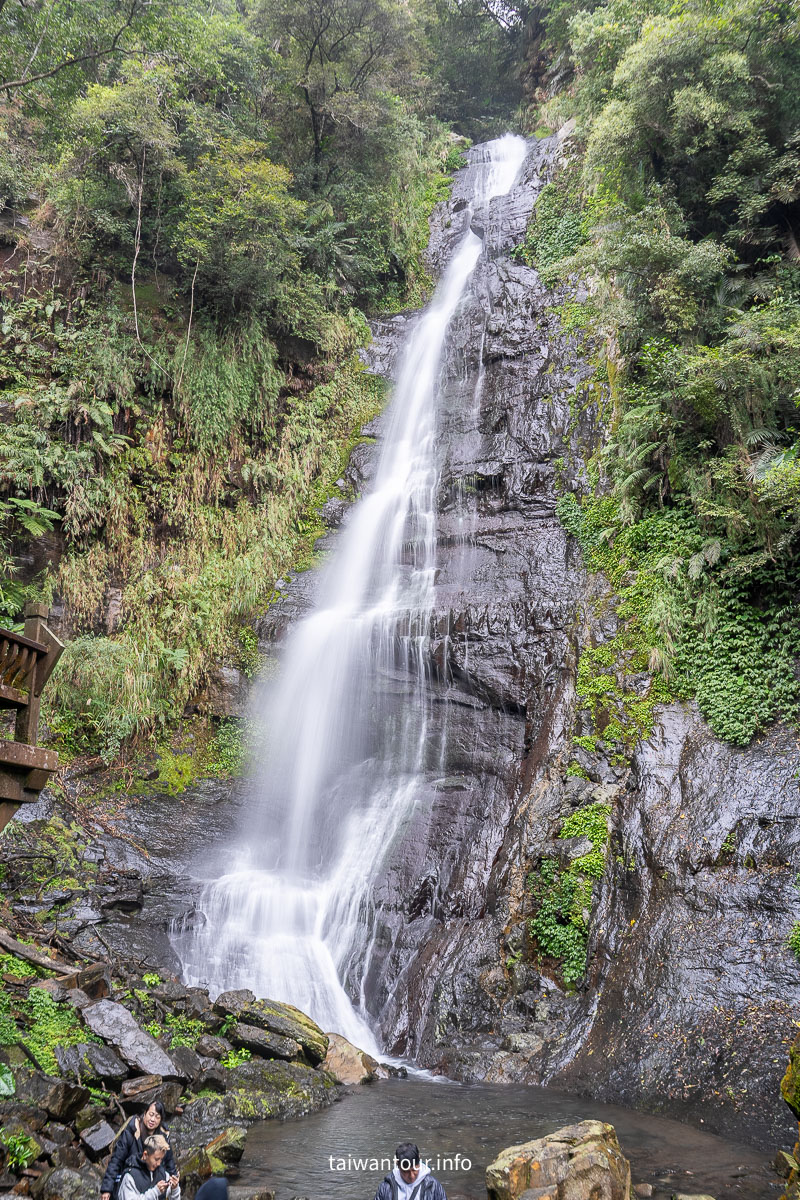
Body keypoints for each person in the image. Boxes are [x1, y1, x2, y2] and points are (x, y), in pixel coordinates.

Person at [101, 1102, 178, 1200]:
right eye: (151, 1114)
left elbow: (169, 1162)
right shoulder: (131, 1132)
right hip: (130, 1180)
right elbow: (116, 1160)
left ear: (161, 1120)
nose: (152, 1119)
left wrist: (174, 1180)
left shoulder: (163, 1137)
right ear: (145, 1113)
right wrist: (107, 1189)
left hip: (153, 1180)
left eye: (157, 1117)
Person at [373, 1142, 447, 1200]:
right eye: (406, 1171)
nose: (411, 1176)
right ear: (397, 1164)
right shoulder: (385, 1188)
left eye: (414, 1170)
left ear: (419, 1160)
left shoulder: (433, 1186)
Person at [118, 1136, 180, 1200]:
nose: (159, 1163)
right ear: (145, 1155)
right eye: (156, 1159)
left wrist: (175, 1189)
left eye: (161, 1159)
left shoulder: (163, 1174)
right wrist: (155, 1192)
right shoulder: (130, 1177)